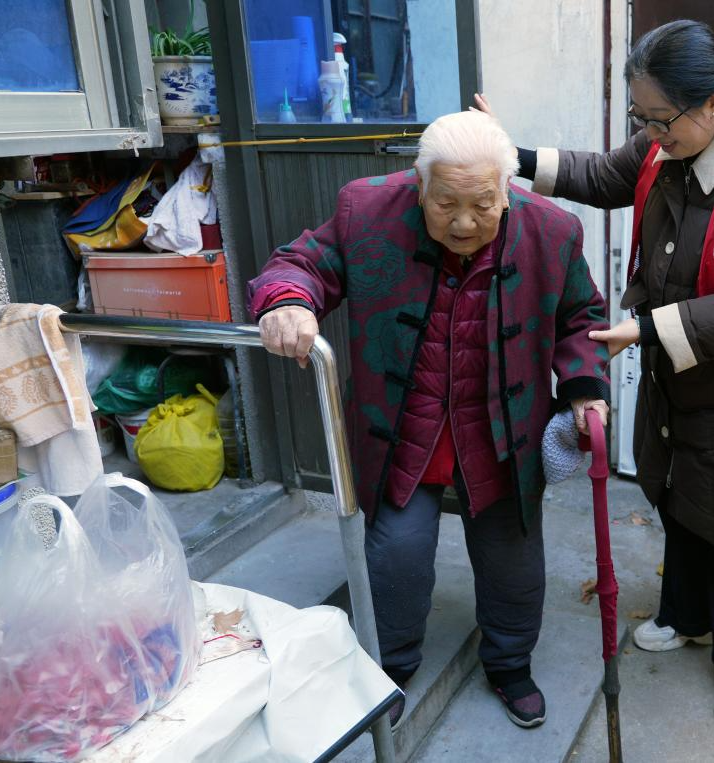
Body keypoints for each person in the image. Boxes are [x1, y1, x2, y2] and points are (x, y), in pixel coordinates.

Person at [479, 18, 714, 723]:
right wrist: (508, 156)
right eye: (641, 117)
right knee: (681, 496)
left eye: (661, 118)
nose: (649, 133)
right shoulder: (666, 146)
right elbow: (600, 174)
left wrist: (641, 330)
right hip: (681, 365)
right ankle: (688, 615)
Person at [247, 110, 610, 729]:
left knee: (512, 559)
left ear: (507, 190)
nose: (464, 223)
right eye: (446, 204)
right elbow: (300, 263)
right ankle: (390, 666)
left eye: (482, 205)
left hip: (499, 430)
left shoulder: (552, 231)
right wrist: (287, 301)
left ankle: (510, 664)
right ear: (420, 185)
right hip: (404, 426)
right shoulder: (367, 211)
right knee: (396, 554)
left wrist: (583, 389)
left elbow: (582, 319)